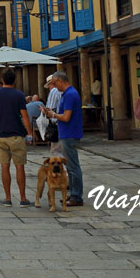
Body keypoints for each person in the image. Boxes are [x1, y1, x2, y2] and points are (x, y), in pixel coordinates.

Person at [0, 68, 35, 207]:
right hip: (17, 135)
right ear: (15, 80)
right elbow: (24, 116)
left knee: (4, 167)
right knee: (20, 167)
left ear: (2, 80)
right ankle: (23, 198)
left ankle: (7, 198)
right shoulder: (19, 95)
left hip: (1, 135)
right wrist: (30, 132)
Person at [45, 71, 84, 207]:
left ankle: (77, 196)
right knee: (71, 166)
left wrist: (54, 114)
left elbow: (66, 117)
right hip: (67, 133)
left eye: (55, 84)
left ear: (61, 81)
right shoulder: (68, 94)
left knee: (73, 167)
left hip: (69, 133)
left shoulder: (69, 95)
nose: (55, 87)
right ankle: (73, 194)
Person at [44, 74, 64, 157]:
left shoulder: (54, 91)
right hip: (65, 124)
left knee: (55, 151)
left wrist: (44, 111)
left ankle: (59, 169)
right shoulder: (65, 91)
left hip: (56, 124)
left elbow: (50, 110)